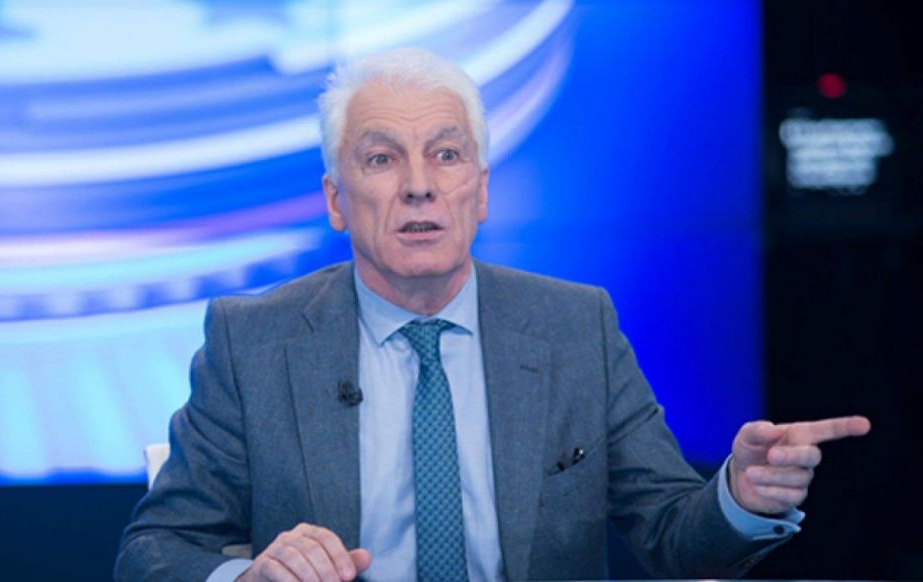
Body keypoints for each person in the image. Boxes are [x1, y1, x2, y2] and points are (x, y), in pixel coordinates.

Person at [115, 47, 870, 582]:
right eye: (381, 159)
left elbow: (674, 535)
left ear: (480, 192)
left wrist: (739, 497)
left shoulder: (576, 327)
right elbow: (155, 550)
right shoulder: (253, 340)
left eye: (446, 156)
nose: (419, 186)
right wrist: (248, 577)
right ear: (336, 201)